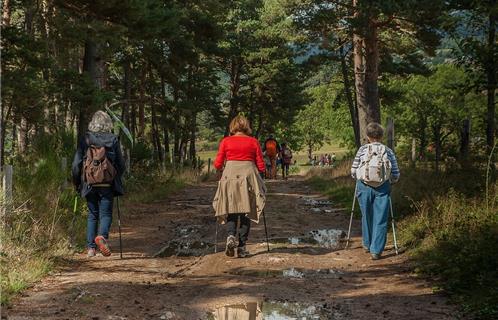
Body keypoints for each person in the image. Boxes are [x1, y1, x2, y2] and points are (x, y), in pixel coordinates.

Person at [72, 110, 126, 257]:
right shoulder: (113, 139)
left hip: (89, 184)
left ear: (93, 123)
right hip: (107, 184)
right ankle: (101, 237)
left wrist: (77, 183)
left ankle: (90, 249)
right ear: (108, 123)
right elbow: (121, 165)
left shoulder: (86, 139)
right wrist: (117, 178)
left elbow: (76, 164)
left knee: (92, 215)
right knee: (106, 214)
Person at [212, 115, 267, 258]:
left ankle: (230, 237)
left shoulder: (226, 141)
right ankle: (242, 247)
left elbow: (218, 163)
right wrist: (261, 176)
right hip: (248, 176)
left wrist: (219, 169)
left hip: (230, 175)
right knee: (246, 212)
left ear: (233, 127)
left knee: (231, 209)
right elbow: (261, 164)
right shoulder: (253, 142)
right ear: (246, 126)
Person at [351, 122, 400, 260]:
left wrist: (359, 178)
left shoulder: (362, 150)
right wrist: (391, 181)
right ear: (382, 136)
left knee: (366, 215)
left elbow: (353, 171)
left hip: (364, 186)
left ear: (367, 136)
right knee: (381, 218)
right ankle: (376, 251)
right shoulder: (388, 151)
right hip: (383, 187)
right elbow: (396, 173)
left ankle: (367, 244)